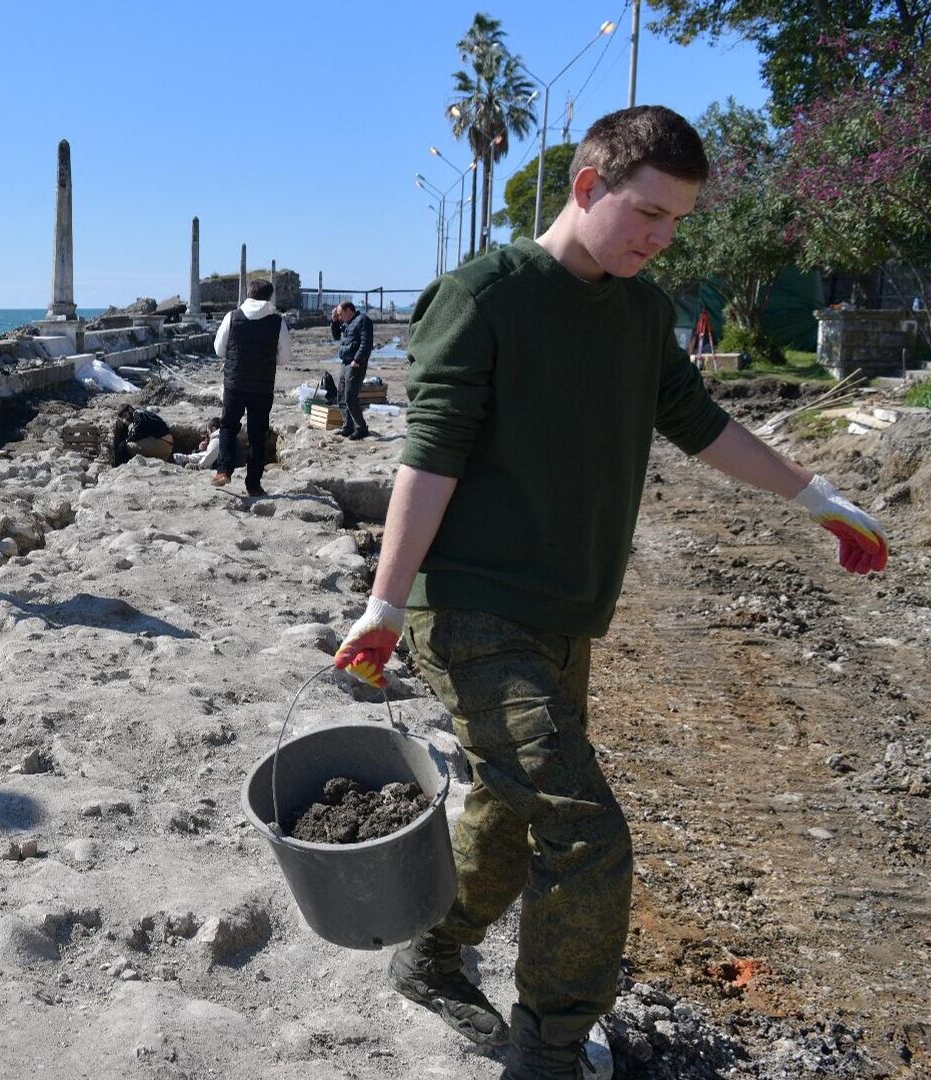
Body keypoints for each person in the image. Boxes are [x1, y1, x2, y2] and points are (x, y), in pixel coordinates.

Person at [329, 106, 889, 1080]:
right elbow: (431, 455)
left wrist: (817, 494)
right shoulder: (487, 296)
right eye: (649, 213)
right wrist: (385, 602)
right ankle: (547, 1048)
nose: (662, 238)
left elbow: (704, 425)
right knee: (587, 835)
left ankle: (428, 956)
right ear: (587, 187)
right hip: (469, 615)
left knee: (509, 815)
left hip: (562, 619)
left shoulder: (636, 313)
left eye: (677, 222)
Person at [212, 278, 292, 495]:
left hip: (235, 383)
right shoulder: (277, 321)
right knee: (258, 433)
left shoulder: (232, 317)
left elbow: (219, 349)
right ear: (269, 297)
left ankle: (223, 471)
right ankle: (254, 484)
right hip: (263, 386)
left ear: (248, 294)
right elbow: (285, 357)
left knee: (228, 426)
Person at [331, 300, 375, 439]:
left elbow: (366, 343)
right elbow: (336, 336)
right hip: (345, 363)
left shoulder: (363, 320)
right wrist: (334, 321)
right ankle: (348, 426)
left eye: (340, 314)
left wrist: (358, 359)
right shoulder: (346, 323)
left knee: (350, 397)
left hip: (355, 364)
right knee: (341, 396)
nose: (339, 317)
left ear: (348, 310)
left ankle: (361, 428)